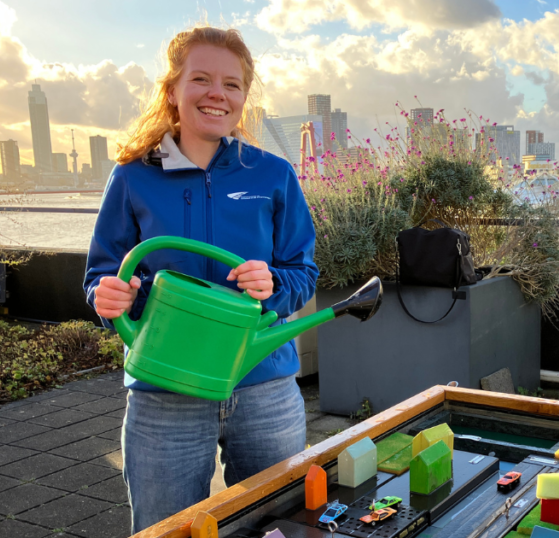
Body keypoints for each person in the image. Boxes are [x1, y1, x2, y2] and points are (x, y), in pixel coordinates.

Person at [82, 26, 318, 534]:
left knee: (276, 527)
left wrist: (272, 282)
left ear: (244, 99)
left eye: (232, 85)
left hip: (264, 387)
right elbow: (102, 275)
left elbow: (303, 273)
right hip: (164, 393)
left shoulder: (274, 175)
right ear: (172, 89)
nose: (218, 94)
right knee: (166, 530)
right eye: (202, 79)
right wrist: (111, 298)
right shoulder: (131, 176)